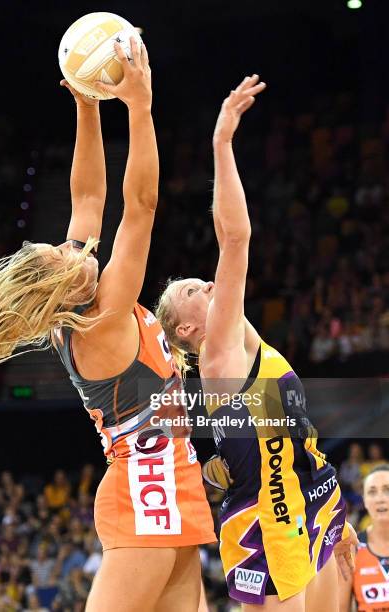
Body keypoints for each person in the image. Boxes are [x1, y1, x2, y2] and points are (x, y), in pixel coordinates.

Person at [0, 38, 215, 612]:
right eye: (61, 254)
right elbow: (141, 206)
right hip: (144, 486)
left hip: (172, 475)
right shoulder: (101, 316)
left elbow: (86, 194)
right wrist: (140, 106)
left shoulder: (77, 294)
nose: (73, 244)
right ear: (60, 291)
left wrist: (86, 104)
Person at [155, 74, 357, 611]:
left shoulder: (243, 343)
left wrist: (334, 509)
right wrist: (222, 143)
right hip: (268, 523)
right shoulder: (220, 353)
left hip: (302, 499)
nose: (206, 282)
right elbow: (236, 236)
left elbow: (294, 437)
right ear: (187, 332)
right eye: (193, 291)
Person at [339, 465, 389, 612]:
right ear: (365, 500)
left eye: (387, 490)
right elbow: (341, 608)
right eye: (372, 492)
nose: (380, 498)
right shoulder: (352, 548)